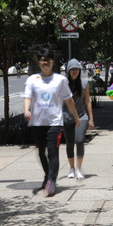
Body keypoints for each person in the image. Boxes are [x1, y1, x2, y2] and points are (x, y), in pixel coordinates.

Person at [21, 48, 80, 197]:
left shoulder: (60, 80)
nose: (45, 63)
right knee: (42, 152)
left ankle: (51, 181)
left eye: (48, 60)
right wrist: (26, 110)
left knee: (53, 151)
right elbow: (27, 97)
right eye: (42, 60)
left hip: (55, 121)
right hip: (37, 121)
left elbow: (69, 99)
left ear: (52, 62)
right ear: (39, 62)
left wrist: (76, 116)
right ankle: (47, 176)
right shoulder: (32, 80)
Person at [63, 58, 95, 179]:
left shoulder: (84, 84)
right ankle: (71, 168)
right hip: (67, 117)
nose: (75, 71)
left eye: (77, 69)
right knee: (70, 143)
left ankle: (78, 169)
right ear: (68, 71)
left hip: (82, 116)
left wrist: (91, 119)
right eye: (72, 70)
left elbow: (87, 102)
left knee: (80, 140)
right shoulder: (64, 84)